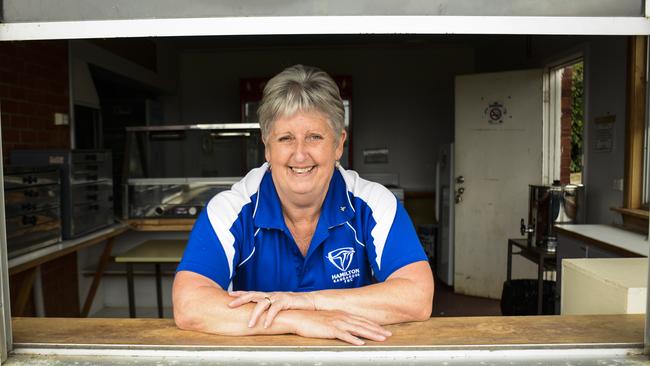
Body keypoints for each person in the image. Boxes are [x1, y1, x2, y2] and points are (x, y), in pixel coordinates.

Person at [172, 64, 434, 345]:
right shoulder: (229, 210)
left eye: (314, 137)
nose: (300, 155)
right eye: (286, 138)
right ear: (267, 146)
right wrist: (297, 319)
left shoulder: (374, 204)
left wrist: (306, 302)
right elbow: (189, 305)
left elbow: (417, 297)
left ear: (338, 144)